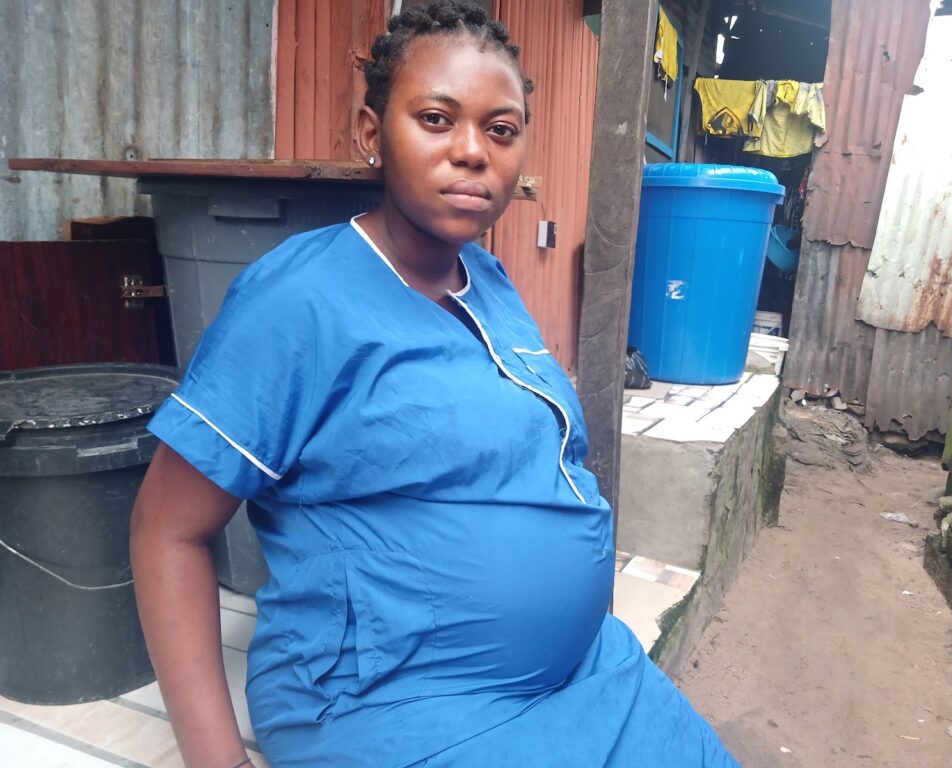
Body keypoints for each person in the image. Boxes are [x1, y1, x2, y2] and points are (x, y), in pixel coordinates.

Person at [129, 3, 738, 766]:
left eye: (502, 128)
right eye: (436, 118)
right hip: (397, 703)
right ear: (370, 135)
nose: (473, 152)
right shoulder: (300, 302)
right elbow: (166, 529)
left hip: (587, 675)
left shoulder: (488, 281)